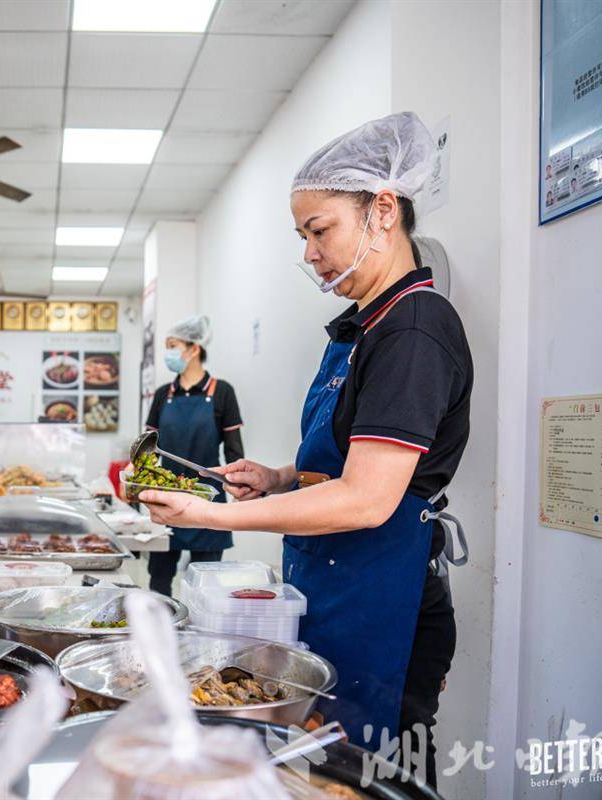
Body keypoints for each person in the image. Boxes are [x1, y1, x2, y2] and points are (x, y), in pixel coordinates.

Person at [139, 113, 471, 788]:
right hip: (335, 581)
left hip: (386, 592)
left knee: (371, 773)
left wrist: (213, 516)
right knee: (321, 762)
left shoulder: (413, 330)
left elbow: (367, 497)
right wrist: (279, 476)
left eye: (321, 231)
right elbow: (349, 454)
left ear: (384, 211)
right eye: (303, 237)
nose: (311, 253)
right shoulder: (363, 327)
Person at [141, 315, 244, 597]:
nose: (168, 353)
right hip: (166, 494)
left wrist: (240, 491)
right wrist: (136, 480)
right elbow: (148, 449)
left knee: (207, 586)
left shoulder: (222, 392)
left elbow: (234, 452)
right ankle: (160, 624)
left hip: (208, 496)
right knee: (159, 580)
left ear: (194, 348)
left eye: (173, 346)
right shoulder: (163, 394)